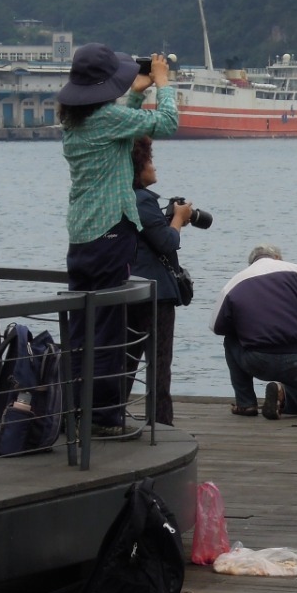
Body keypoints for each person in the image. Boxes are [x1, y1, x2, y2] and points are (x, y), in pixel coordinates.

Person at [57, 43, 178, 436]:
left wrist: (137, 94)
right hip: (111, 232)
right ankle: (105, 418)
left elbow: (119, 127)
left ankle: (75, 410)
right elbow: (167, 122)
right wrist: (163, 83)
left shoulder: (75, 122)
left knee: (82, 328)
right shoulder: (108, 118)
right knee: (110, 329)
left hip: (81, 234)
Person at [210, 244, 297, 420]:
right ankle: (283, 394)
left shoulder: (235, 283)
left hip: (258, 360)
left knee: (231, 340)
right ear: (278, 258)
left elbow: (217, 327)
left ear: (251, 263)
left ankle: (246, 403)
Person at [126, 136, 193, 426]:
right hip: (156, 295)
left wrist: (170, 221)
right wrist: (178, 219)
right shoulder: (142, 199)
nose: (154, 167)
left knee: (126, 359)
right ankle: (162, 425)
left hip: (127, 289)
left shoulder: (120, 198)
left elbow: (147, 237)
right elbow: (167, 242)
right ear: (138, 168)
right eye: (150, 161)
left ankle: (111, 414)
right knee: (159, 363)